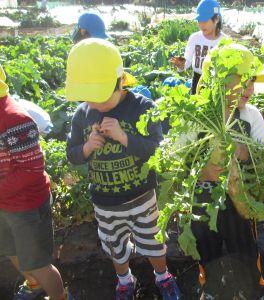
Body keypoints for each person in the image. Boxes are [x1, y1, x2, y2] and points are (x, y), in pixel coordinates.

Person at [65, 38, 181, 300]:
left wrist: (124, 137)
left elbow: (157, 149)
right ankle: (125, 281)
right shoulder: (82, 114)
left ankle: (163, 277)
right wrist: (86, 148)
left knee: (153, 242)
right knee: (114, 246)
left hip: (141, 197)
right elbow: (72, 155)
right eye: (87, 97)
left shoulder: (142, 108)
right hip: (104, 203)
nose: (93, 104)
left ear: (119, 82)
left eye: (99, 97)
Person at [189, 43, 264, 299]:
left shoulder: (251, 117)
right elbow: (178, 160)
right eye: (244, 82)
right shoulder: (196, 116)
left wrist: (244, 152)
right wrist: (201, 172)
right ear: (220, 82)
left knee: (245, 248)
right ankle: (212, 287)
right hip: (204, 199)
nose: (251, 89)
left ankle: (250, 287)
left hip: (240, 199)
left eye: (253, 82)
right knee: (207, 246)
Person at [0, 65, 72, 300]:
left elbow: (31, 171)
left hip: (26, 206)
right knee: (10, 250)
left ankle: (59, 296)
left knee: (39, 262)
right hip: (5, 203)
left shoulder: (15, 119)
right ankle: (33, 284)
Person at [170, 0, 226, 95]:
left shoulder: (224, 41)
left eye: (205, 21)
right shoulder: (195, 38)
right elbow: (187, 61)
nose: (201, 24)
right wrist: (181, 65)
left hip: (217, 84)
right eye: (199, 21)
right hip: (197, 79)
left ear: (216, 19)